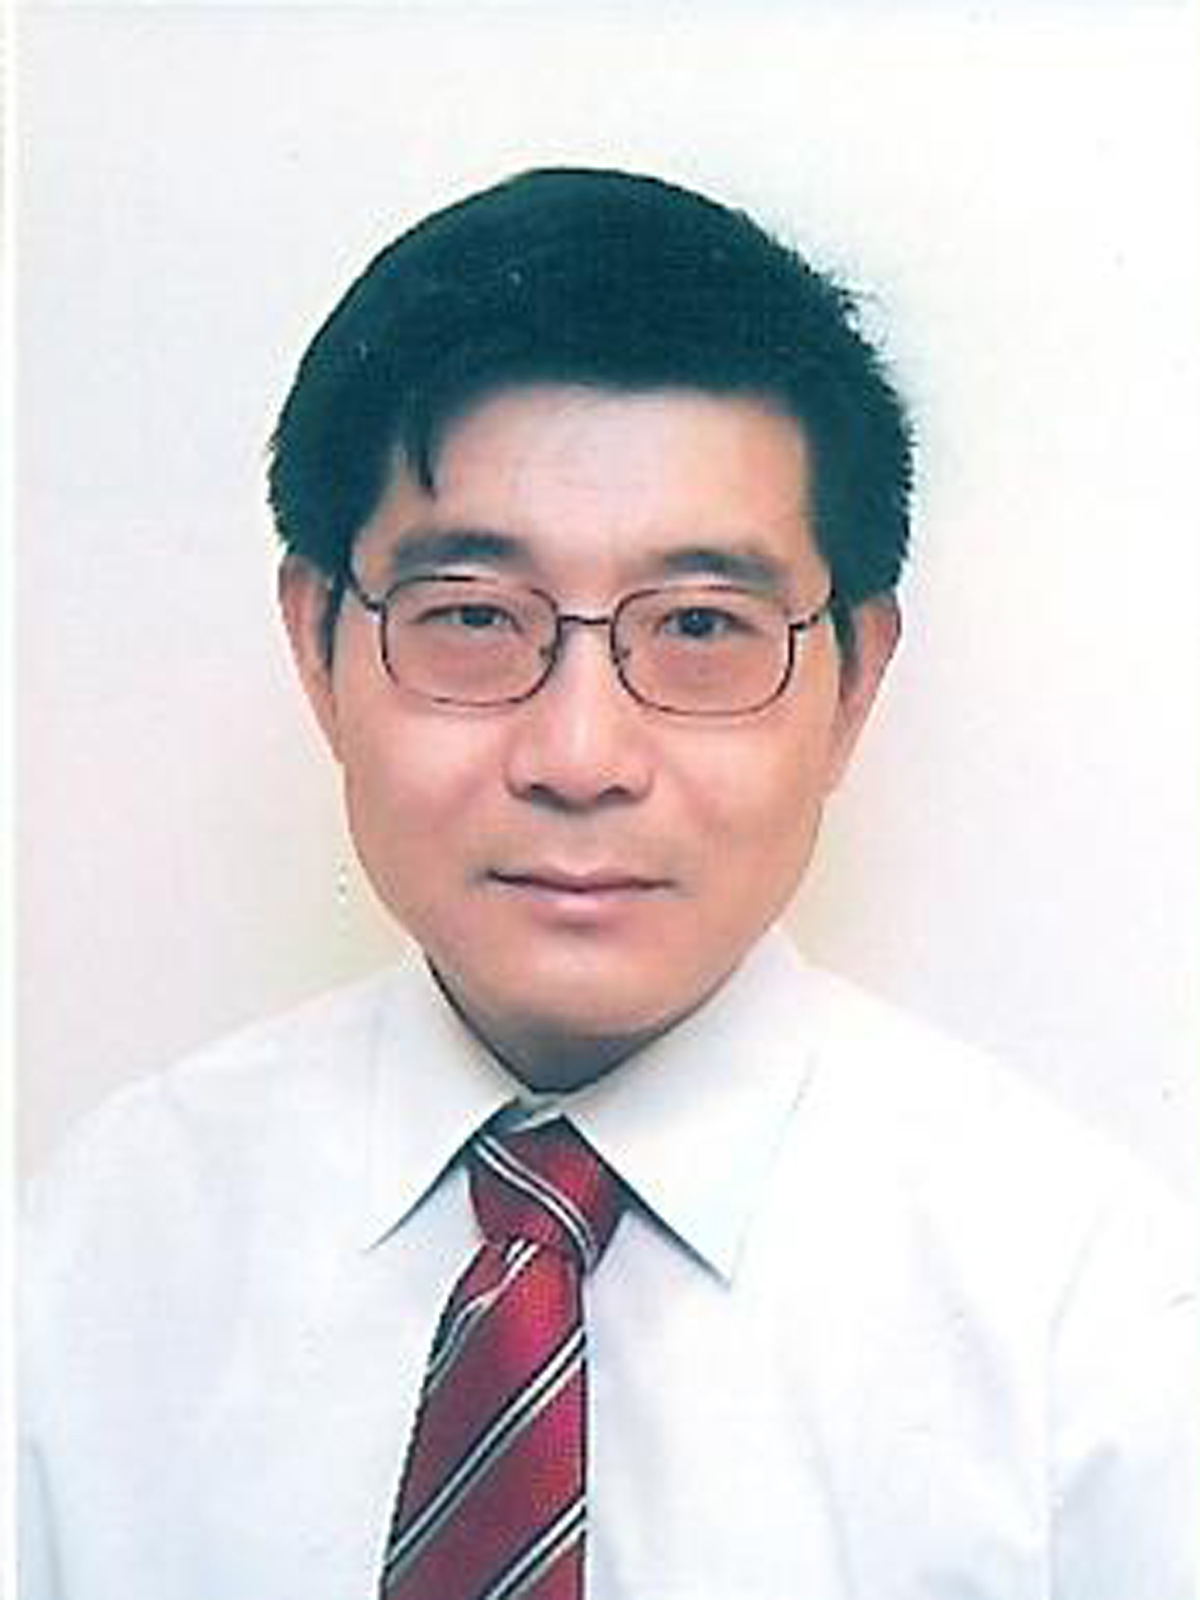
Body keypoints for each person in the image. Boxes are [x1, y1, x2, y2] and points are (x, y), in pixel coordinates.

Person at [20, 168, 1192, 1599]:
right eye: (471, 617)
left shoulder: (1095, 1323)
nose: (580, 757)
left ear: (854, 684)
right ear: (317, 644)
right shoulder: (97, 1252)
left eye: (700, 627)